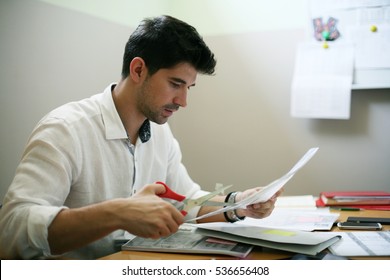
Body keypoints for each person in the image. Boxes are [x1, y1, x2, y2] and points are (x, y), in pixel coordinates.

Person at [0, 15, 281, 260]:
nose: (183, 101)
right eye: (175, 84)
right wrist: (118, 213)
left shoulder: (160, 131)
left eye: (189, 88)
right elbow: (10, 230)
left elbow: (186, 202)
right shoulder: (65, 129)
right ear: (138, 70)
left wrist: (239, 204)